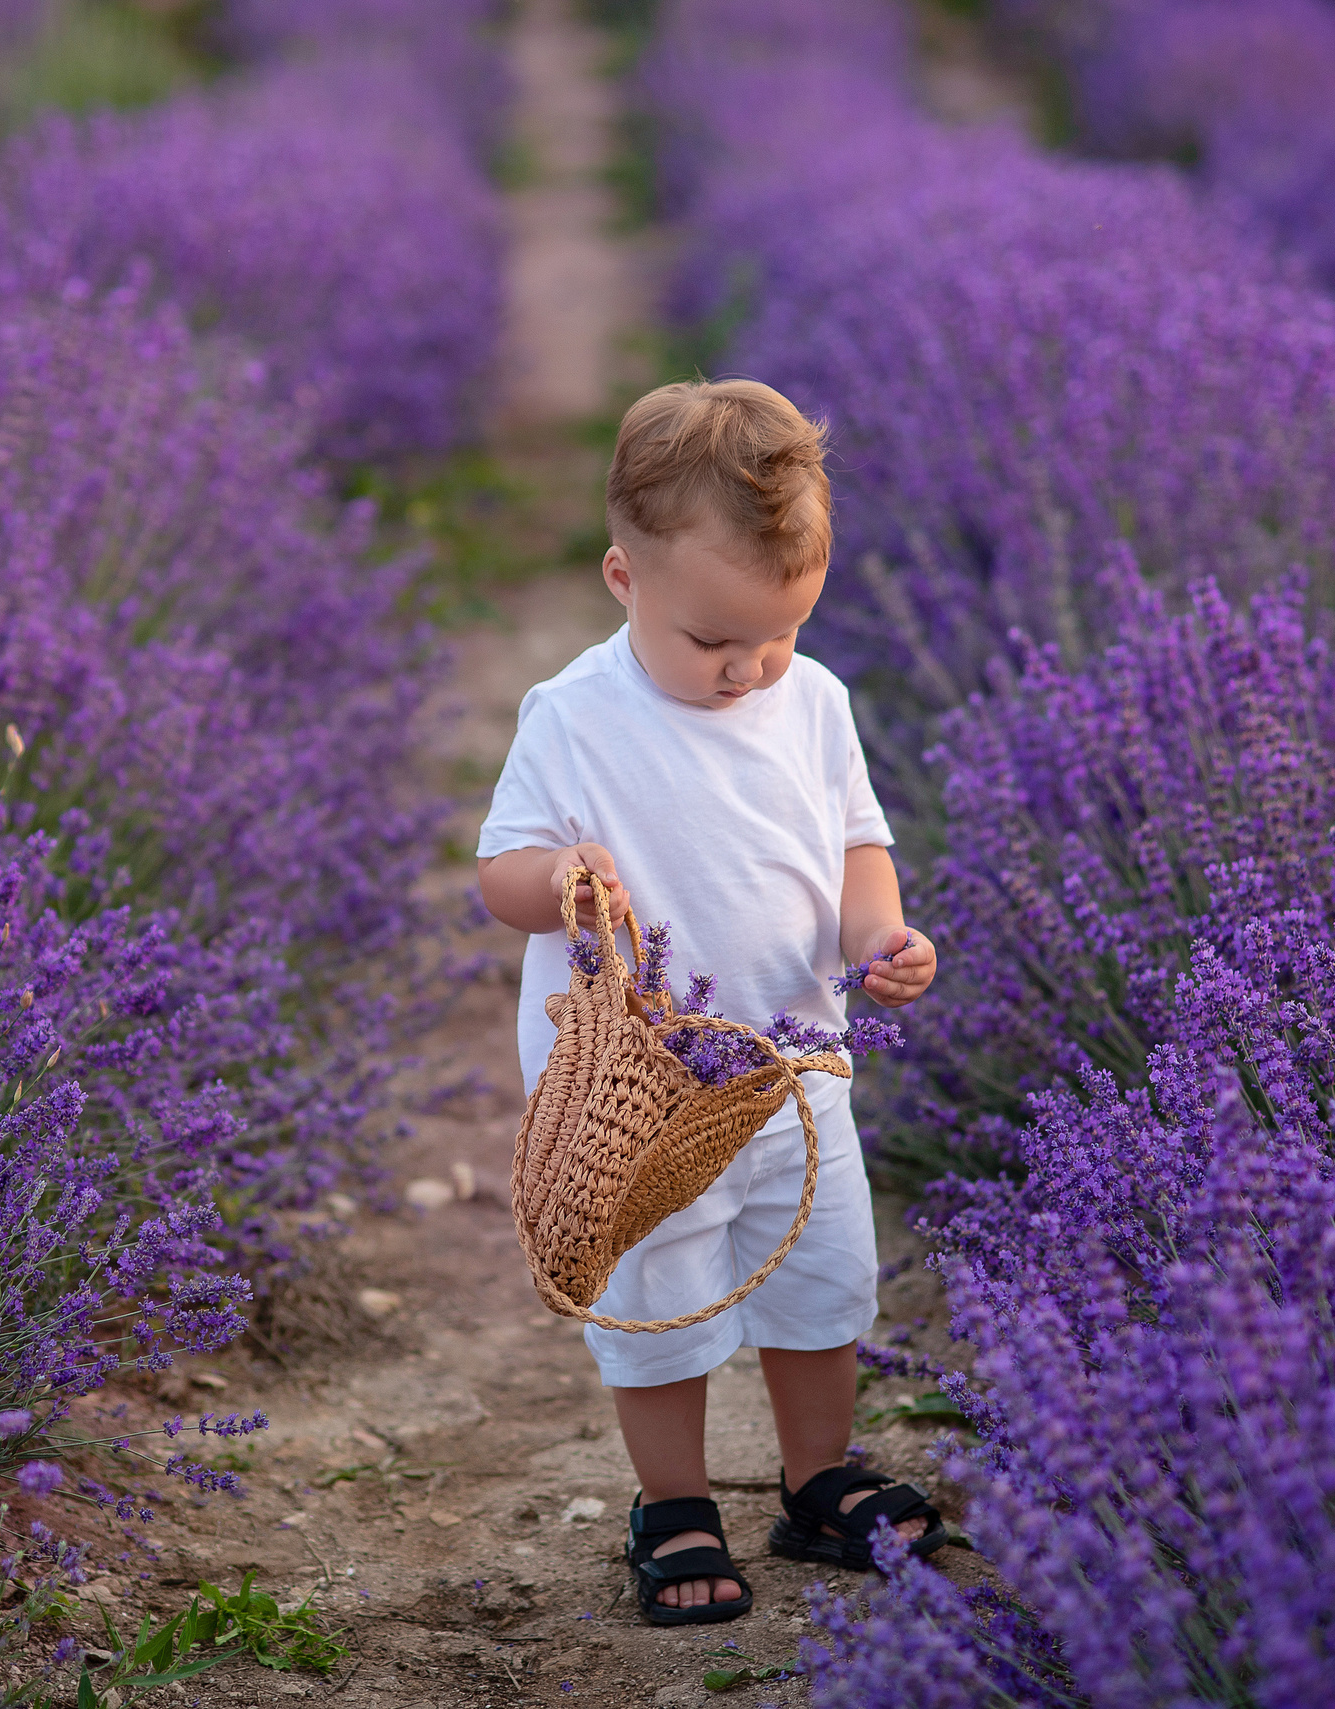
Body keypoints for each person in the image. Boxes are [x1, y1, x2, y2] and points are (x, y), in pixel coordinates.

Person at [476, 378, 956, 1625]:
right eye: (712, 642)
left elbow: (856, 846)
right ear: (623, 578)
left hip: (795, 1062)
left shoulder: (816, 701)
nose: (748, 668)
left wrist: (880, 934)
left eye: (778, 634)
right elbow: (498, 875)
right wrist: (559, 876)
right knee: (656, 1296)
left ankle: (815, 1474)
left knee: (822, 1281)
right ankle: (673, 1498)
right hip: (641, 1084)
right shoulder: (574, 716)